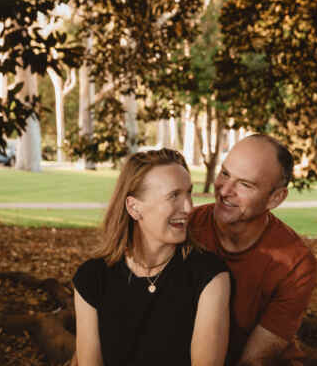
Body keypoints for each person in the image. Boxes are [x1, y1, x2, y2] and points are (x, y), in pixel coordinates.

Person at [73, 148, 230, 366]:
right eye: (174, 195)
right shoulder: (92, 278)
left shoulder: (209, 276)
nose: (189, 207)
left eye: (188, 193)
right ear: (134, 207)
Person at [189, 134, 317, 366]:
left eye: (245, 184)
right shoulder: (186, 229)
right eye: (225, 174)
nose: (225, 190)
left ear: (275, 198)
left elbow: (253, 360)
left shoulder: (296, 265)